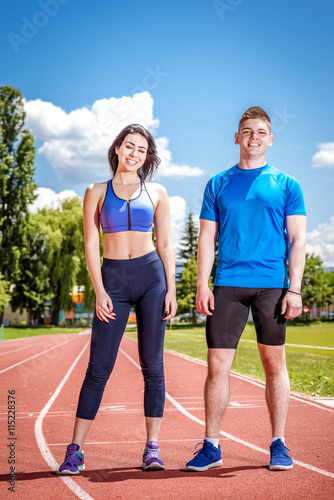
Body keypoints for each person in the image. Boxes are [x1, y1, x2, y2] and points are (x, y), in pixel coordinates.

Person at [185, 106, 306, 472]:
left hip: (272, 284)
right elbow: (207, 237)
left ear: (271, 139)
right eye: (247, 131)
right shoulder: (217, 183)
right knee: (217, 364)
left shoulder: (287, 184)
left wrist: (295, 288)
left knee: (274, 363)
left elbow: (298, 238)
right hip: (227, 285)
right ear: (237, 137)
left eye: (260, 132)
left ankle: (279, 443)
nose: (253, 137)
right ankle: (211, 445)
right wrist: (202, 283)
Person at [58, 124, 177, 474]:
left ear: (147, 157)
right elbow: (91, 244)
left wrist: (171, 288)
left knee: (153, 366)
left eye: (141, 149)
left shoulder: (157, 192)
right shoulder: (96, 191)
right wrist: (99, 290)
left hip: (151, 277)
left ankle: (152, 448)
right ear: (117, 149)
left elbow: (166, 244)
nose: (134, 154)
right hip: (113, 279)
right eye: (129, 146)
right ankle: (75, 450)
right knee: (99, 368)